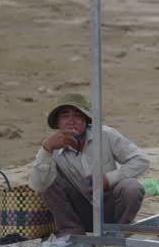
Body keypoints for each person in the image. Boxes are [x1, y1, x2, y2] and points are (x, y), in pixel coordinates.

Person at [28, 94, 150, 236]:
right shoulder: (51, 146)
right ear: (58, 122)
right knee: (47, 179)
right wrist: (46, 149)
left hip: (110, 208)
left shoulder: (105, 135)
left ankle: (119, 232)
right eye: (65, 116)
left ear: (86, 120)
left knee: (132, 187)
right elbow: (37, 185)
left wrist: (108, 179)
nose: (71, 121)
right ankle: (72, 233)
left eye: (78, 115)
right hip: (80, 213)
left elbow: (141, 160)